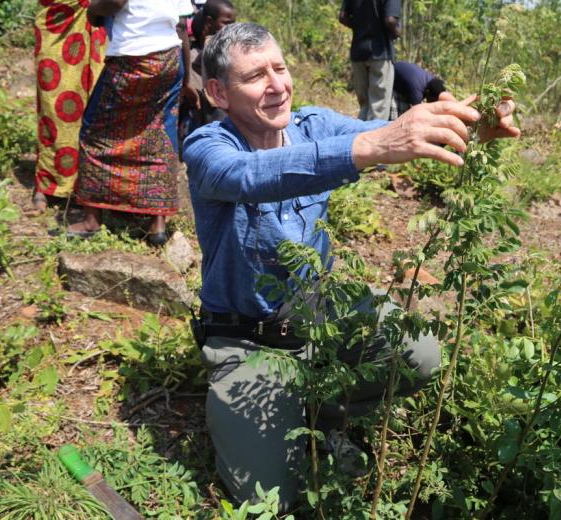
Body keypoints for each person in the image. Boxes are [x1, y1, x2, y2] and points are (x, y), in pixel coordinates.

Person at [183, 23, 520, 510]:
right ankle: (272, 418)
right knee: (270, 499)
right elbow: (248, 177)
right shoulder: (209, 147)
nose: (277, 85)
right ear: (218, 92)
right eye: (256, 76)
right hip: (246, 338)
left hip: (318, 312)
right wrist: (370, 149)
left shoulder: (313, 125)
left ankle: (324, 411)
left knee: (421, 352)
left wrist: (471, 122)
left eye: (280, 68)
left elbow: (392, 135)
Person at [64, 0, 186, 246]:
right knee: (159, 130)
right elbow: (182, 23)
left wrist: (93, 10)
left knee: (95, 131)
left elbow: (115, 2)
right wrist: (188, 80)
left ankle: (91, 220)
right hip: (170, 57)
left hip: (134, 57)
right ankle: (157, 224)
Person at [32, 0, 107, 211]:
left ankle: (87, 185)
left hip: (93, 22)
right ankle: (46, 183)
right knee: (52, 107)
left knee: (93, 103)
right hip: (53, 24)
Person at [179, 0, 236, 145]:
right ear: (210, 22)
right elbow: (197, 65)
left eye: (233, 23)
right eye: (227, 23)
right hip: (209, 107)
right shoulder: (211, 44)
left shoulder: (221, 41)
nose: (231, 28)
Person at [339, 0, 400, 121]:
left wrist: (359, 27)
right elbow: (390, 20)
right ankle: (373, 138)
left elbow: (342, 17)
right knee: (379, 106)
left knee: (365, 105)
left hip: (358, 52)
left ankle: (359, 135)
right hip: (380, 53)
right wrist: (397, 33)